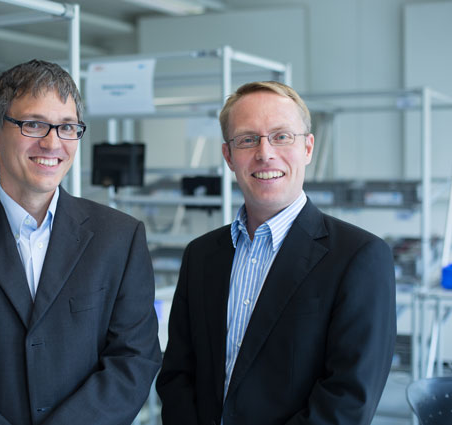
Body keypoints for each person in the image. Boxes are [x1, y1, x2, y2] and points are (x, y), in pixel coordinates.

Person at [0, 59, 161, 425]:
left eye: (68, 127)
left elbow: (134, 359)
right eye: (34, 124)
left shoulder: (119, 237)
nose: (53, 143)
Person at [156, 81, 396, 425]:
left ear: (308, 148)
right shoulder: (201, 255)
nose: (265, 152)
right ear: (228, 156)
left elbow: (347, 400)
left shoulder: (359, 257)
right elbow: (177, 372)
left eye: (282, 136)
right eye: (247, 139)